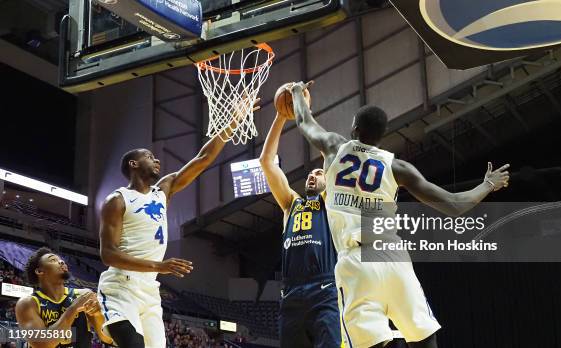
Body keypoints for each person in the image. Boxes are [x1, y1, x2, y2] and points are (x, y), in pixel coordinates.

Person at [290, 81, 510, 348]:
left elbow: (303, 120)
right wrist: (487, 184)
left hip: (355, 263)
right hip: (391, 254)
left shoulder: (335, 147)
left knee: (370, 342)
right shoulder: (398, 167)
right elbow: (454, 205)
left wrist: (297, 93)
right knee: (424, 336)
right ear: (381, 136)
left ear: (355, 129)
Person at [98, 100, 258, 348]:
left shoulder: (164, 189)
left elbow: (203, 159)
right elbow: (108, 255)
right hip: (121, 287)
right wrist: (159, 265)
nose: (157, 161)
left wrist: (233, 122)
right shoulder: (117, 200)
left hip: (150, 292)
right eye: (149, 157)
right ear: (134, 164)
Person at [259, 95, 341, 348]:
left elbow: (330, 153)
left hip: (325, 287)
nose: (312, 176)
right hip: (291, 293)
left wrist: (304, 111)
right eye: (309, 173)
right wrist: (281, 116)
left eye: (318, 173)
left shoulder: (331, 202)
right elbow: (266, 162)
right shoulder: (290, 204)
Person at [15, 247, 113, 348]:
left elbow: (109, 339)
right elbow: (43, 344)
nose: (61, 262)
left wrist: (97, 315)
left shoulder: (85, 295)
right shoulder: (28, 303)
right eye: (53, 260)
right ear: (40, 271)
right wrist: (72, 309)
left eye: (61, 260)